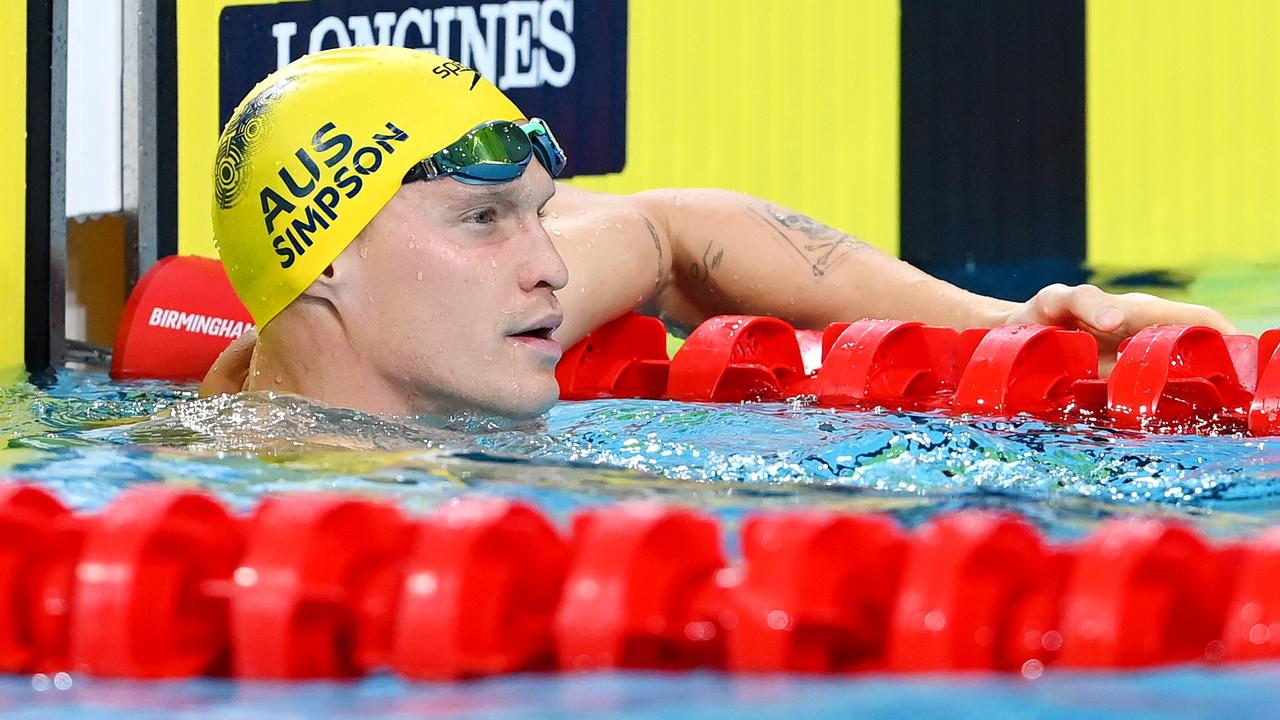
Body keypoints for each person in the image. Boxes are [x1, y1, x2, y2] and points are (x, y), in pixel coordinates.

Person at [203, 45, 1235, 420]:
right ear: (325, 258)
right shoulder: (223, 497)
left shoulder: (448, 331)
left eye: (539, 214)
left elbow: (667, 228)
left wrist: (1000, 327)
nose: (551, 263)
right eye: (483, 221)